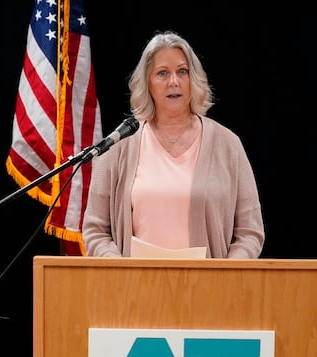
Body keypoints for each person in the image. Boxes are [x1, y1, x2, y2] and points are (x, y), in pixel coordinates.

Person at [82, 31, 264, 258]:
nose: (174, 82)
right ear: (147, 83)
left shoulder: (228, 145)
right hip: (134, 289)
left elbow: (250, 232)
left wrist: (226, 275)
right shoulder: (120, 145)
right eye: (162, 73)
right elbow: (95, 230)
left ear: (193, 79)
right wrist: (120, 270)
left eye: (182, 72)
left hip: (210, 289)